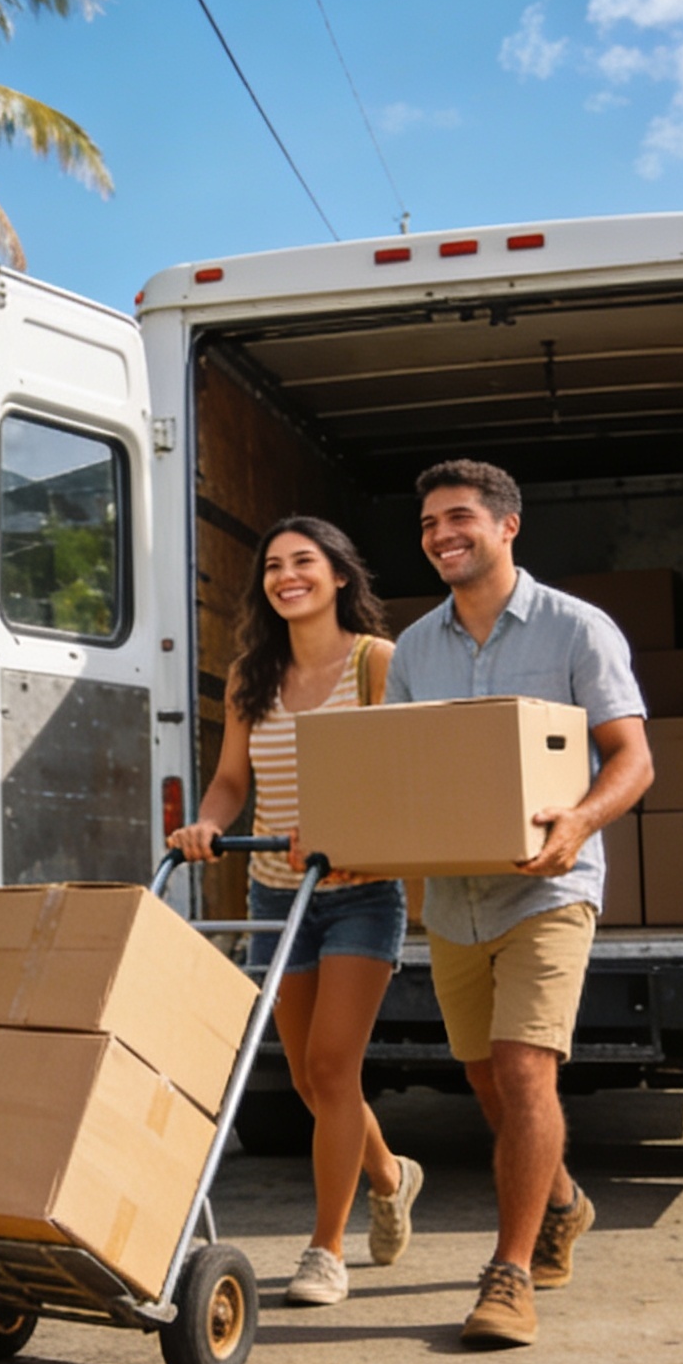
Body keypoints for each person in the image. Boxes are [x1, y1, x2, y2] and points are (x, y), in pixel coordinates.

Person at [386, 459, 653, 1349]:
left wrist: (578, 820)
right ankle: (566, 1200)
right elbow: (401, 770)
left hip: (549, 887)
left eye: (458, 517)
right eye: (428, 523)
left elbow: (632, 758)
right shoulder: (416, 646)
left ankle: (508, 1274)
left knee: (524, 1068)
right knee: (483, 1077)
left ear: (507, 526)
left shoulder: (579, 629)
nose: (440, 534)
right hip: (454, 899)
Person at [169, 515, 421, 1308]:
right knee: (312, 1081)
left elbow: (402, 771)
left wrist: (349, 828)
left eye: (303, 562)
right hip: (277, 890)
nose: (287, 577)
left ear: (340, 575)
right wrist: (210, 822)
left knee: (329, 1066)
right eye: (274, 566)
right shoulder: (253, 672)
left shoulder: (377, 662)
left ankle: (326, 1250)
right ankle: (389, 1173)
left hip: (359, 891)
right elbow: (232, 780)